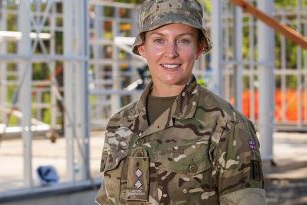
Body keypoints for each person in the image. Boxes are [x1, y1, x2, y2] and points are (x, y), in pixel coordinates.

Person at [95, 0, 267, 204]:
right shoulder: (119, 123)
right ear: (142, 48)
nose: (171, 52)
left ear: (199, 48)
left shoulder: (227, 125)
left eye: (183, 40)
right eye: (159, 40)